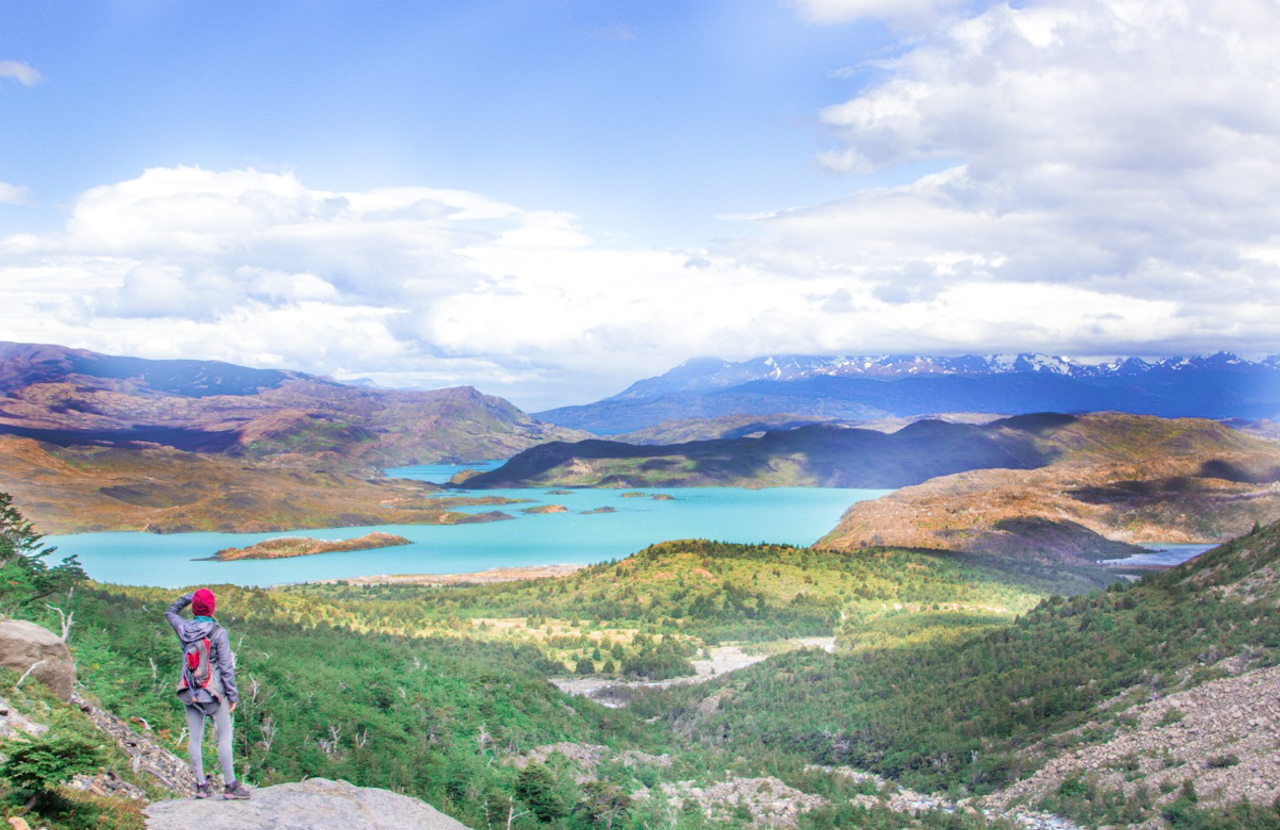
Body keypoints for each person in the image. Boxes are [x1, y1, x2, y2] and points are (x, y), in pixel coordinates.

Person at [165, 588, 251, 800]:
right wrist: (233, 696)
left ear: (194, 607)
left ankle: (201, 785)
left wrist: (189, 597)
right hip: (213, 693)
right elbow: (226, 668)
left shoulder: (183, 628)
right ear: (212, 608)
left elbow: (170, 612)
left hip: (189, 689)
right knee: (224, 736)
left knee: (195, 737)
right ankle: (230, 785)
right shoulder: (218, 633)